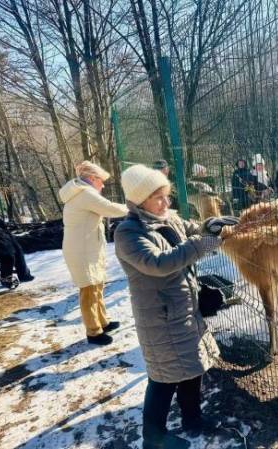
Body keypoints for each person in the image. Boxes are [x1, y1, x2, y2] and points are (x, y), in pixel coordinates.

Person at [114, 164, 238, 449]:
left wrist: (211, 226)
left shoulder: (169, 218)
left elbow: (194, 232)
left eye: (166, 196)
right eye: (159, 197)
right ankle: (153, 437)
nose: (166, 203)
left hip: (184, 309)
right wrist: (202, 241)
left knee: (191, 367)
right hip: (161, 317)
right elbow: (160, 263)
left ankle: (192, 420)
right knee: (164, 377)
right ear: (139, 200)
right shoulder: (128, 233)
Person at [59, 161, 128, 346]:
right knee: (88, 290)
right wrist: (133, 207)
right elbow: (110, 209)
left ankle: (102, 322)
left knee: (97, 285)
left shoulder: (80, 192)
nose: (103, 185)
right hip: (82, 251)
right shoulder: (85, 193)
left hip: (87, 249)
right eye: (101, 180)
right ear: (91, 178)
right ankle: (93, 331)